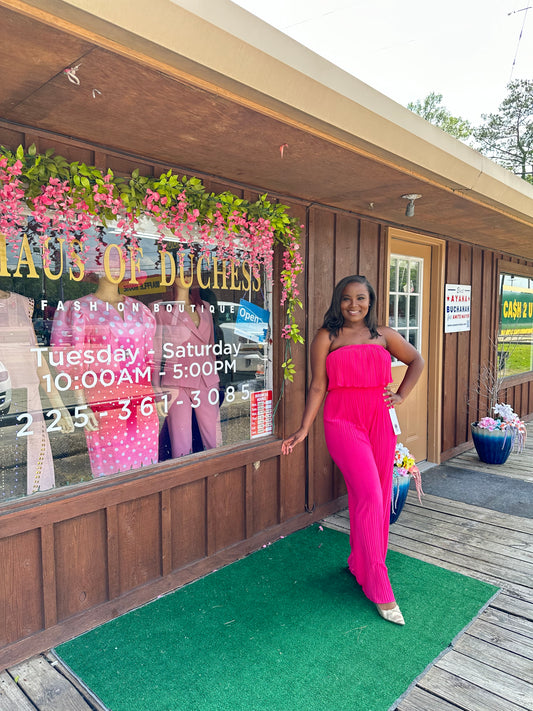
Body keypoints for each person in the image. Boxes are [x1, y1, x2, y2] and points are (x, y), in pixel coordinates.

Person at [282, 275, 424, 625]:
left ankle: (360, 563)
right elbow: (317, 386)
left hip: (380, 420)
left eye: (361, 298)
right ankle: (379, 585)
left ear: (371, 301)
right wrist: (303, 428)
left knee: (370, 498)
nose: (354, 305)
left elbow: (417, 360)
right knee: (372, 498)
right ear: (338, 301)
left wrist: (402, 394)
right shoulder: (326, 337)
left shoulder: (384, 335)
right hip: (342, 422)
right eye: (347, 299)